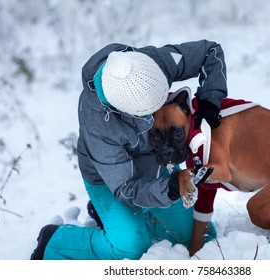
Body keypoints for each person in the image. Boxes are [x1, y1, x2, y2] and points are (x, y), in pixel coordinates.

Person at [30, 40, 228, 260]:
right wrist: (169, 189)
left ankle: (123, 218)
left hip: (154, 167)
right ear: (131, 112)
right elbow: (125, 188)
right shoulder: (99, 123)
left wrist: (210, 101)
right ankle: (56, 239)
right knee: (131, 248)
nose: (163, 105)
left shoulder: (151, 66)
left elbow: (210, 51)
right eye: (152, 110)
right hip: (111, 181)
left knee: (199, 235)